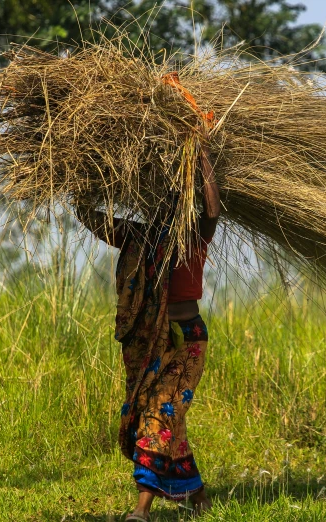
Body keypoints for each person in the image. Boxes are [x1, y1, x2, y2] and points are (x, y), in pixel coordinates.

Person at [76, 134, 220, 521]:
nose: (169, 207)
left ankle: (142, 509)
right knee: (166, 417)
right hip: (152, 343)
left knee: (158, 414)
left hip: (188, 340)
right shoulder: (140, 237)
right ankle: (200, 498)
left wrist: (202, 153)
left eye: (176, 200)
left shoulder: (194, 238)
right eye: (162, 200)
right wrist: (83, 174)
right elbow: (91, 219)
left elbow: (212, 209)